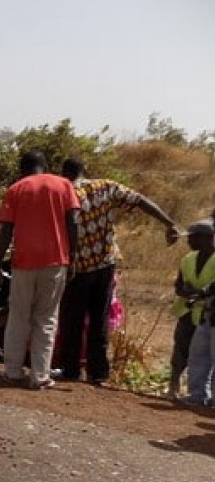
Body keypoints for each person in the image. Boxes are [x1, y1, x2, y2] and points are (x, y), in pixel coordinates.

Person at [55, 158, 179, 384]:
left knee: (72, 319)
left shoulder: (62, 192)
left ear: (64, 173)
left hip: (76, 267)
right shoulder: (106, 187)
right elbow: (140, 201)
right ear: (85, 170)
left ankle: (71, 370)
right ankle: (98, 372)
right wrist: (169, 223)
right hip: (105, 264)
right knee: (99, 319)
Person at [0, 150, 80, 389]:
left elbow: (6, 230)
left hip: (23, 263)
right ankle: (40, 376)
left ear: (23, 169)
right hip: (55, 262)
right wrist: (72, 257)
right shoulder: (63, 185)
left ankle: (12, 372)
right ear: (45, 165)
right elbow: (73, 222)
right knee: (46, 318)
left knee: (19, 316)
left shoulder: (16, 189)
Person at [180, 220, 215, 406]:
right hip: (207, 313)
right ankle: (197, 396)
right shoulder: (189, 259)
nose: (189, 241)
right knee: (198, 355)